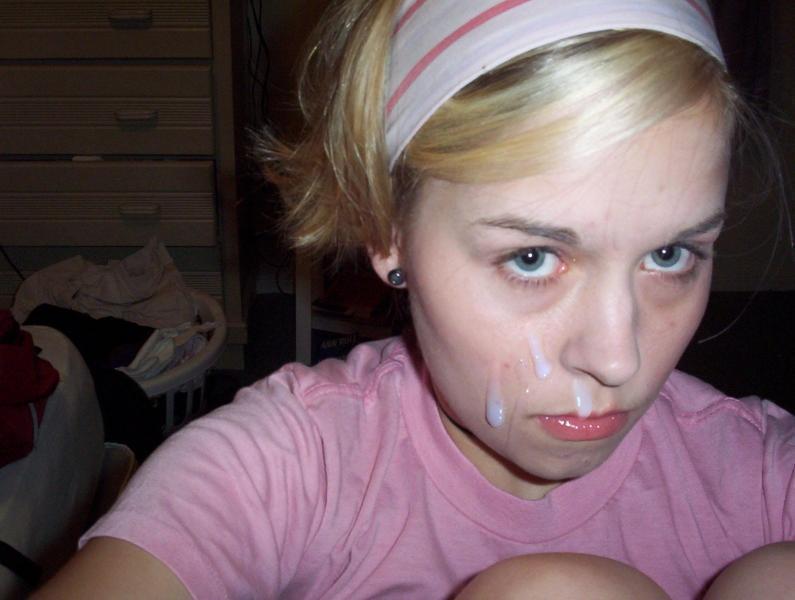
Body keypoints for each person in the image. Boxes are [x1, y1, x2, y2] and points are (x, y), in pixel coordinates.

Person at [34, 0, 794, 598]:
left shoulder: (761, 475)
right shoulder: (291, 468)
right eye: (531, 257)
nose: (617, 358)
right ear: (387, 232)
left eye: (669, 255)